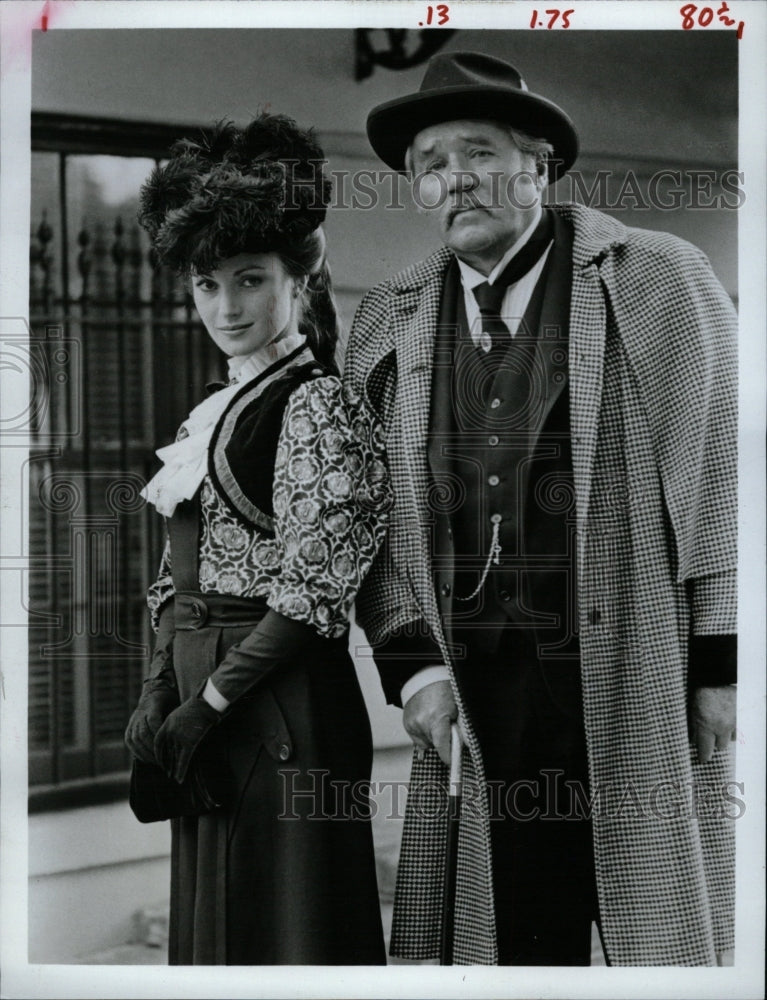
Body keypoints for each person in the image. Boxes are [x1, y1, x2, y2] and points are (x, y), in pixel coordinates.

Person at [344, 51, 737, 966]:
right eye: (430, 165)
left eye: (477, 152)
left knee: (665, 937)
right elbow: (371, 524)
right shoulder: (391, 317)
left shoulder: (656, 279)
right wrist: (413, 671)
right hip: (480, 697)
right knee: (514, 944)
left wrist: (722, 664)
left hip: (641, 668)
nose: (454, 181)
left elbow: (723, 478)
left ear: (539, 165)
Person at [124, 114, 389, 965]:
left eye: (248, 280)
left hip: (279, 707)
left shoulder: (318, 405)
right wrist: (159, 693)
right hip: (209, 705)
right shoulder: (214, 409)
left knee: (284, 935)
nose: (226, 307)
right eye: (207, 285)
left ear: (297, 281)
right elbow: (177, 582)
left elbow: (314, 594)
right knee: (217, 938)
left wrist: (208, 704)